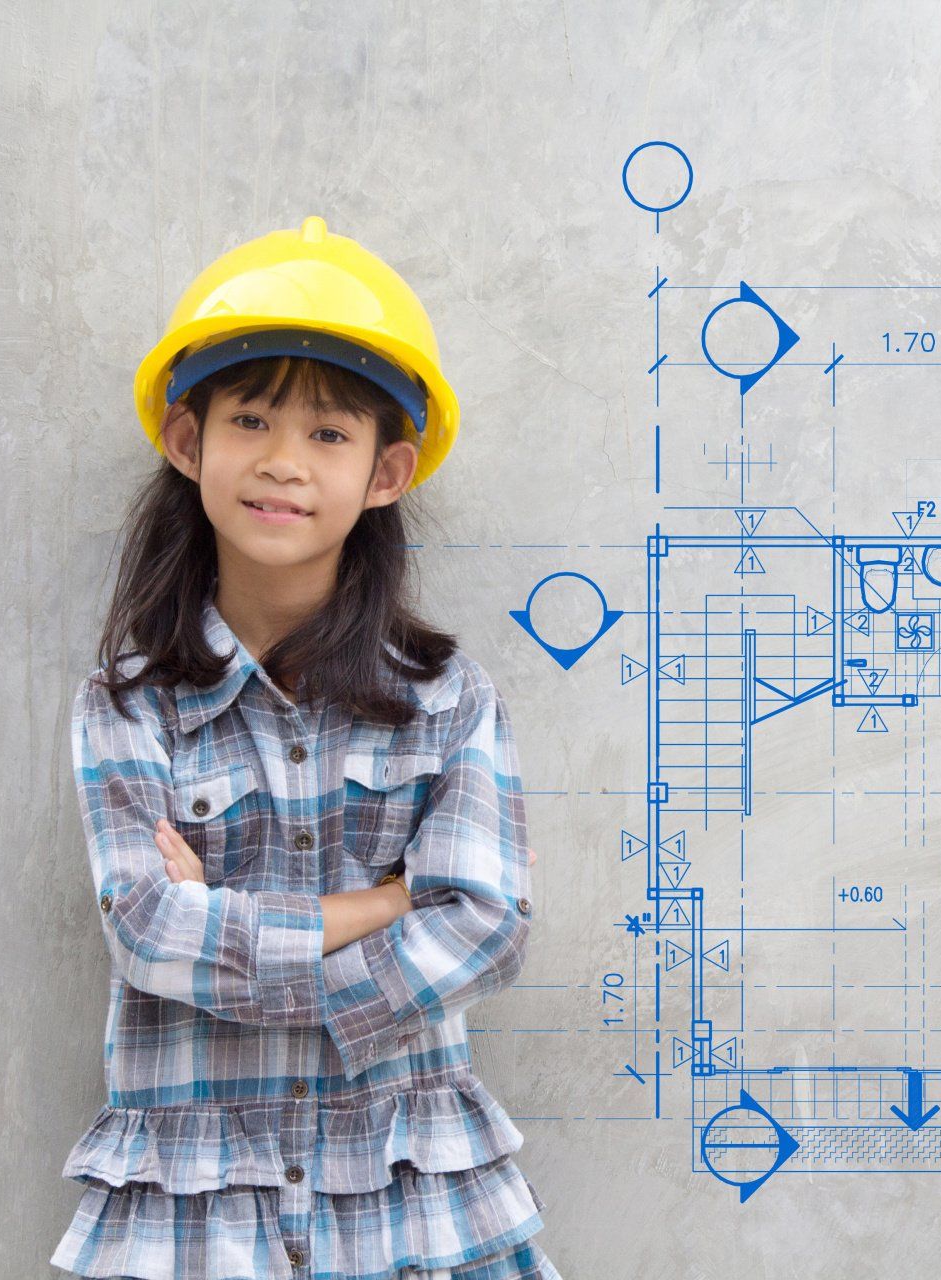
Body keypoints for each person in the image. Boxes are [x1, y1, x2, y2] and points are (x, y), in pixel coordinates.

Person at [51, 216, 560, 1279]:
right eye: (250, 418)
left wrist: (229, 942)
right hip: (193, 1210)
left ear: (387, 470)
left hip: (413, 1202)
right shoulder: (129, 703)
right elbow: (147, 930)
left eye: (330, 434)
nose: (284, 462)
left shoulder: (446, 700)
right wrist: (378, 905)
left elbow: (487, 927)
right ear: (189, 442)